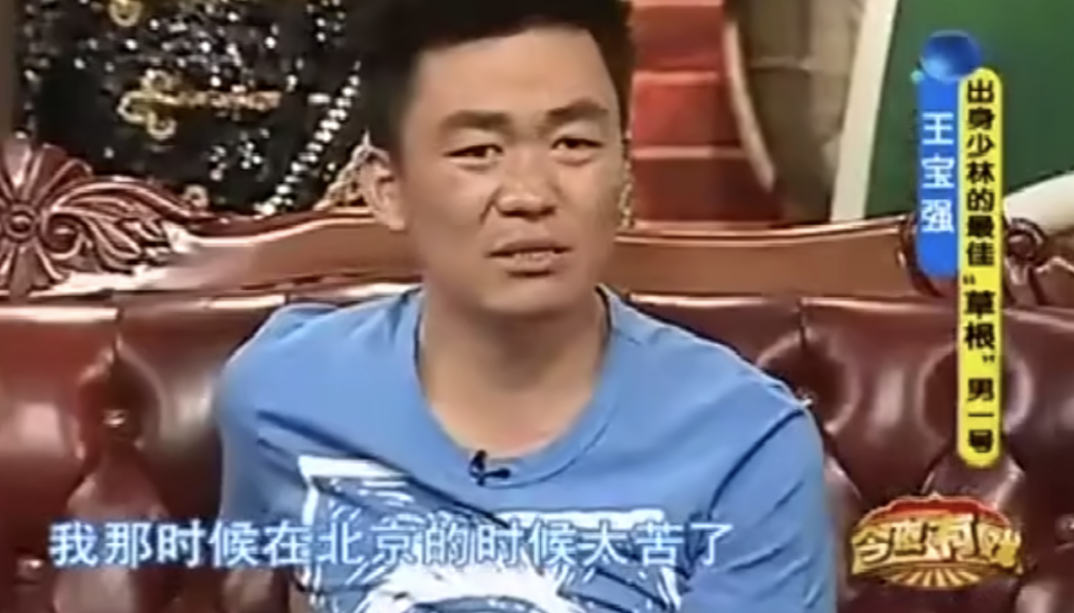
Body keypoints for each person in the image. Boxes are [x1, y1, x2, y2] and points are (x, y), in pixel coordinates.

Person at [214, 0, 837, 610]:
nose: (531, 195)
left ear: (623, 166)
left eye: (573, 143)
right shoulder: (283, 391)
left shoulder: (745, 443)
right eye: (477, 151)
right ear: (386, 188)